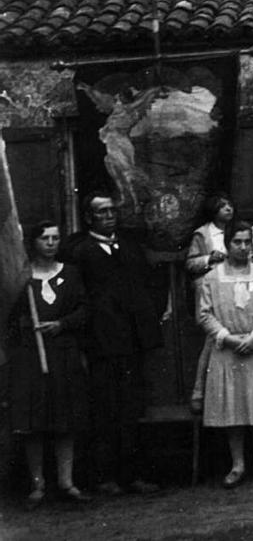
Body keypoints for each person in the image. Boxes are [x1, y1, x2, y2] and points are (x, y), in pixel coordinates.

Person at [67, 191, 162, 495]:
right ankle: (104, 477)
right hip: (101, 345)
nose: (109, 216)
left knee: (131, 409)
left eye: (111, 211)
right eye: (102, 212)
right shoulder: (79, 252)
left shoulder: (130, 248)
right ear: (89, 218)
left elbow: (149, 286)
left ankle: (132, 474)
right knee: (104, 411)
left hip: (132, 343)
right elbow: (75, 300)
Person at [195, 221, 253, 487]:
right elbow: (204, 314)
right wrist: (227, 337)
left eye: (247, 241)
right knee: (233, 406)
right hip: (228, 349)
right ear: (227, 244)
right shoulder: (212, 277)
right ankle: (237, 464)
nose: (243, 247)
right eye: (238, 242)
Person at [7, 222, 90, 507]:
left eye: (55, 238)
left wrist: (61, 324)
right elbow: (7, 316)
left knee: (64, 420)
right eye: (45, 238)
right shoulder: (21, 278)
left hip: (63, 354)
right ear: (34, 242)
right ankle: (38, 485)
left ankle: (67, 482)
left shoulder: (70, 273)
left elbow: (84, 310)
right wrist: (24, 325)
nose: (51, 243)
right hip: (31, 356)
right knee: (35, 422)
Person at [185, 193, 234, 415]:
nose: (228, 209)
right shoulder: (203, 234)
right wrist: (209, 259)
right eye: (223, 206)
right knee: (211, 340)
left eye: (230, 206)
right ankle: (199, 391)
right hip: (212, 291)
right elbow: (190, 262)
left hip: (234, 290)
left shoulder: (237, 231)